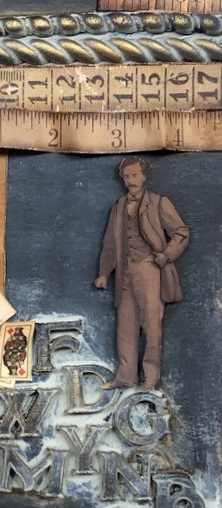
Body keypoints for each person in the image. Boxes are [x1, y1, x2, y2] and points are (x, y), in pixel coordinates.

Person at [94, 157, 189, 391]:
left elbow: (181, 233)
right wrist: (104, 273)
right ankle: (125, 376)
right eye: (126, 176)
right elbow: (110, 244)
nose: (130, 180)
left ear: (144, 176)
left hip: (151, 270)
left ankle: (150, 378)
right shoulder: (118, 207)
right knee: (125, 326)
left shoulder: (158, 203)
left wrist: (166, 255)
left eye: (134, 175)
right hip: (125, 274)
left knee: (151, 326)